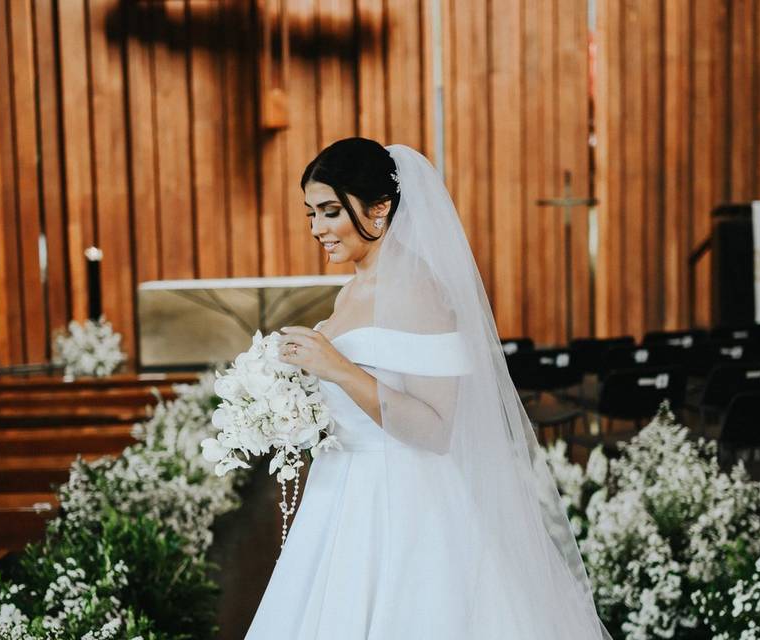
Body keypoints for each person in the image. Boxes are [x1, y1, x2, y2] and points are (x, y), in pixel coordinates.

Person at [245, 137, 610, 639]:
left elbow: (438, 428)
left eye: (330, 211)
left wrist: (336, 368)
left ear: (380, 207)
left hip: (403, 506)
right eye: (311, 214)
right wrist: (293, 406)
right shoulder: (352, 289)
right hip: (341, 497)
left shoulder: (417, 288)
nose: (317, 229)